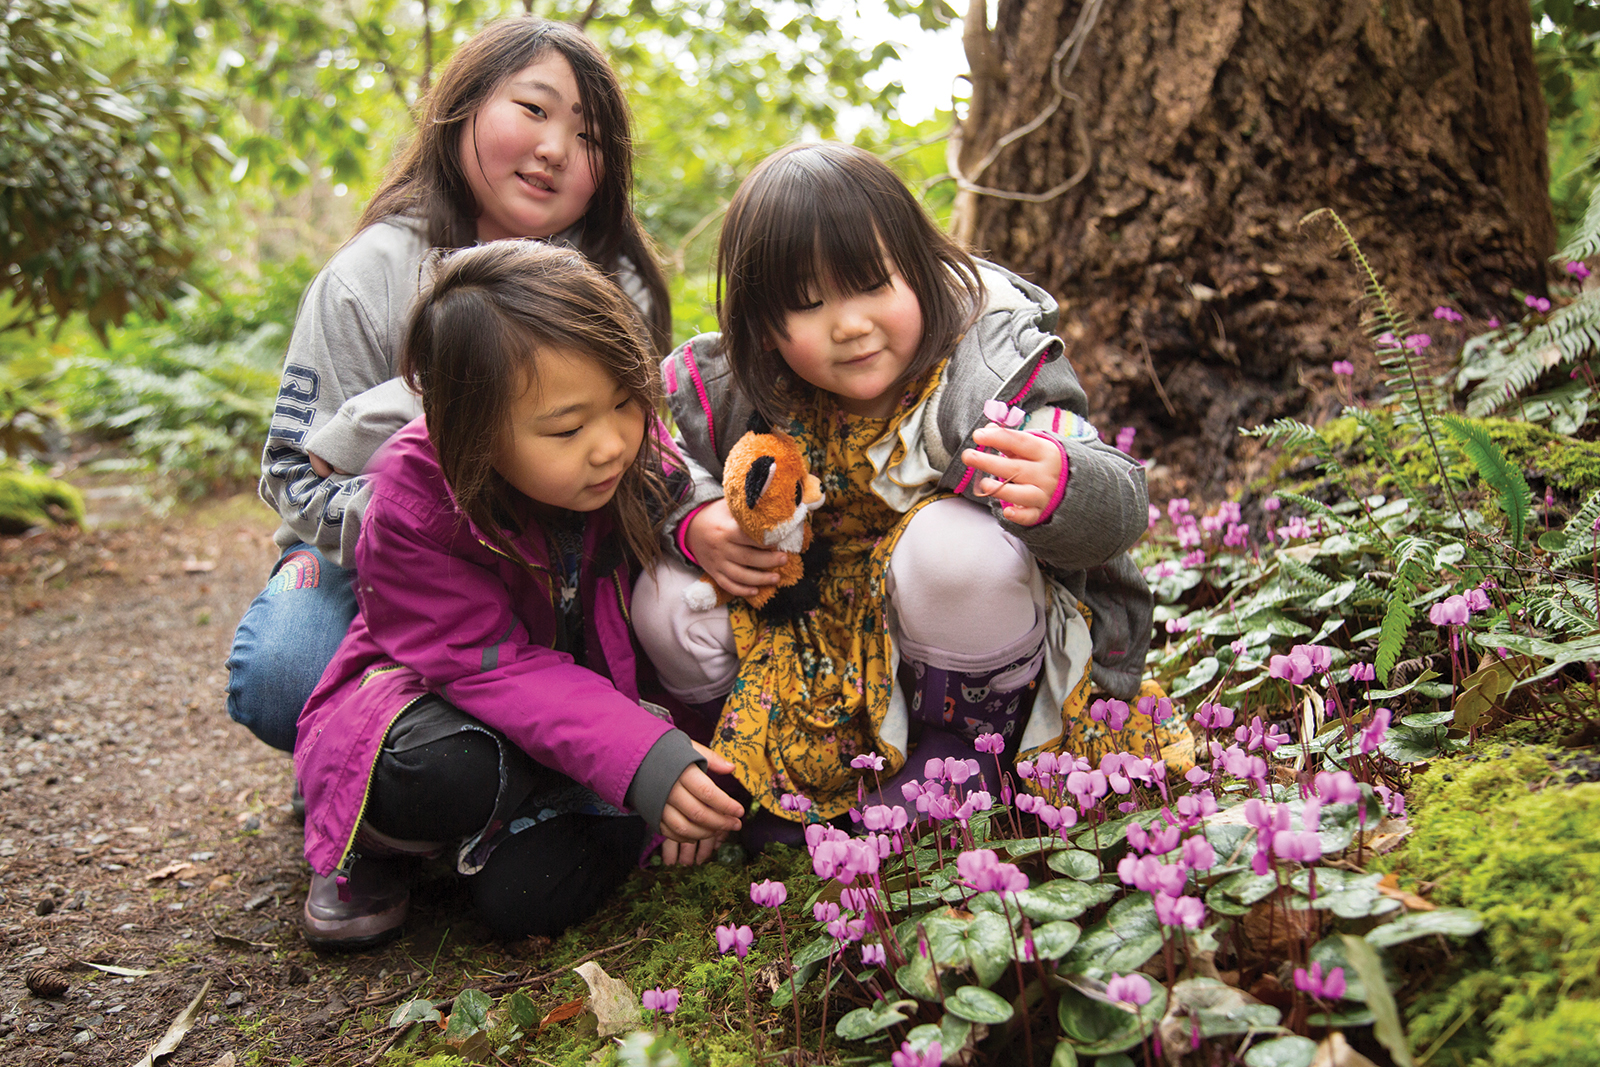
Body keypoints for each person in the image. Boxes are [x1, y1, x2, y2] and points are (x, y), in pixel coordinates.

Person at [631, 142, 1184, 845]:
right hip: (816, 645)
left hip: (965, 643)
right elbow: (639, 446)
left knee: (953, 545)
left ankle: (967, 748)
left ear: (922, 273)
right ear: (766, 330)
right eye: (807, 303)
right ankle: (734, 768)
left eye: (872, 285)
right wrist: (696, 519)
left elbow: (1120, 505)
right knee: (665, 595)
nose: (850, 324)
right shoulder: (736, 388)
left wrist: (1063, 483)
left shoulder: (989, 370)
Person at [226, 16, 670, 759]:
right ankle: (361, 770)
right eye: (532, 109)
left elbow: (649, 447)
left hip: (564, 555)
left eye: (589, 137)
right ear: (460, 106)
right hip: (368, 562)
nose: (555, 149)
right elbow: (291, 477)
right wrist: (432, 527)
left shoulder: (615, 283)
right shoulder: (366, 280)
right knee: (283, 675)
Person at [296, 241, 744, 948]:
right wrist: (638, 754)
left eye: (626, 402)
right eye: (567, 428)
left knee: (528, 899)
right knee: (442, 771)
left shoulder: (619, 452)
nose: (610, 445)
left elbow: (670, 481)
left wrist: (681, 771)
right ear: (468, 428)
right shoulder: (415, 504)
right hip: (432, 705)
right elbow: (488, 665)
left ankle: (530, 820)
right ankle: (377, 838)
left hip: (570, 721)